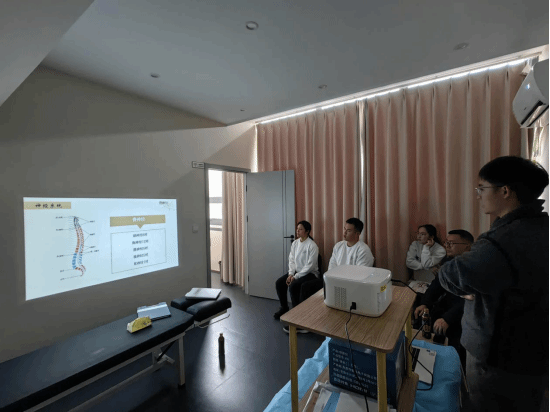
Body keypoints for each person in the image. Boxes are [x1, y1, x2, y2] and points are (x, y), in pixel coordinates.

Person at [438, 156, 549, 412]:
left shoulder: (503, 241)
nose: (478, 195)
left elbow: (450, 274)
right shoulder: (541, 227)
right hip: (534, 350)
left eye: (482, 188)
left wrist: (465, 286)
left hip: (498, 358)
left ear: (505, 191)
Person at [414, 229, 474, 365]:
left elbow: (469, 300)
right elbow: (437, 285)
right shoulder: (449, 261)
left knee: (454, 347)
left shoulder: (474, 267)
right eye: (446, 242)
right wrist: (425, 303)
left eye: (451, 243)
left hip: (464, 315)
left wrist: (448, 318)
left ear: (467, 246)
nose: (447, 246)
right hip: (447, 308)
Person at [273, 221, 319, 333]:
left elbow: (310, 266)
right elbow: (292, 260)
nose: (297, 231)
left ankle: (298, 319)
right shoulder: (295, 243)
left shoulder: (312, 245)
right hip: (296, 273)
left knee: (293, 286)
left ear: (307, 231)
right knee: (279, 283)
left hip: (310, 274)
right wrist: (290, 274)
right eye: (297, 229)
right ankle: (284, 308)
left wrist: (296, 276)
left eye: (300, 229)